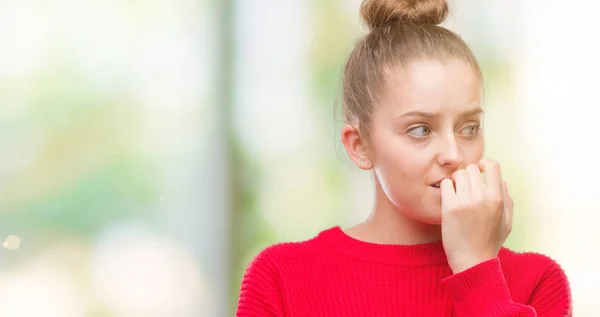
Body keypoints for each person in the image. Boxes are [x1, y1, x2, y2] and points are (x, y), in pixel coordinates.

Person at [235, 0, 572, 316]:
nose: (454, 155)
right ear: (360, 146)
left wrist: (477, 270)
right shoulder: (281, 278)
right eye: (421, 130)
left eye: (469, 128)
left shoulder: (537, 282)